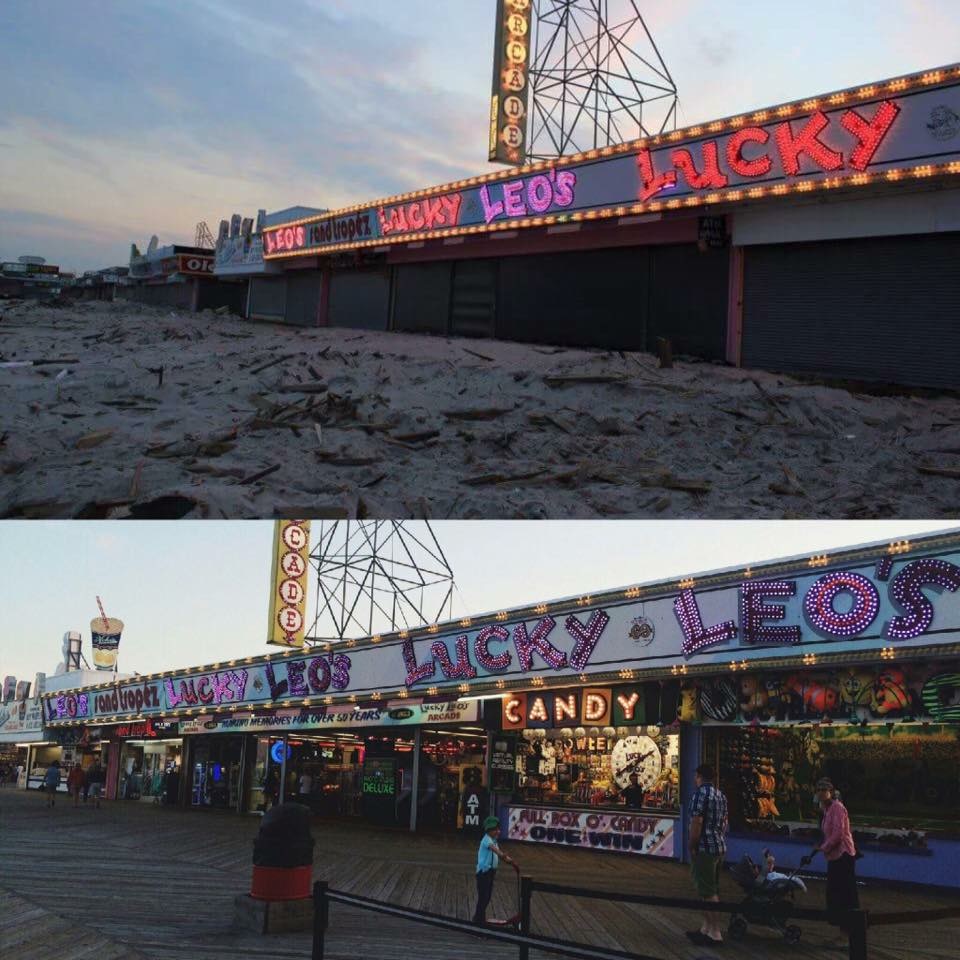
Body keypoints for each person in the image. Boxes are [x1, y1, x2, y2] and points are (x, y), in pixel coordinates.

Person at [801, 778, 858, 938]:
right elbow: (828, 833)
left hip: (843, 855)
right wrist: (821, 845)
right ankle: (843, 931)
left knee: (844, 894)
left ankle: (848, 933)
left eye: (823, 789)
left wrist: (824, 847)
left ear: (831, 792)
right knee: (834, 893)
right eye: (818, 789)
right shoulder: (826, 811)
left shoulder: (838, 808)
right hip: (834, 856)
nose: (820, 792)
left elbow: (838, 834)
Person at [686, 763, 728, 947]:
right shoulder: (721, 795)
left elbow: (697, 822)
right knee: (711, 888)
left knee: (707, 891)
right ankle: (706, 928)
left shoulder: (699, 795)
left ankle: (715, 932)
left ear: (699, 776)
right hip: (718, 846)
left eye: (696, 776)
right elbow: (725, 822)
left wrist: (692, 845)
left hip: (704, 847)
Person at [472, 815, 516, 924]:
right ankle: (479, 920)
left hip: (491, 872)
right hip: (484, 873)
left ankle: (478, 918)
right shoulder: (487, 840)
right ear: (489, 830)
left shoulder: (494, 840)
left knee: (487, 897)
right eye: (495, 830)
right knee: (483, 897)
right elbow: (495, 850)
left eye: (498, 829)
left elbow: (499, 852)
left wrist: (511, 861)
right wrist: (503, 856)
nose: (498, 831)